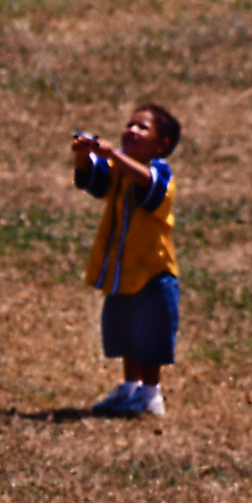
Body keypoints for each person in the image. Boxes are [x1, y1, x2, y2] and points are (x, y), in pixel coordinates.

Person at [72, 104, 182, 416]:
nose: (131, 130)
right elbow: (91, 181)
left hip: (154, 273)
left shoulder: (160, 173)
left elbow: (151, 184)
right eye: (130, 124)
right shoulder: (119, 170)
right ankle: (129, 387)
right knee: (127, 335)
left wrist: (113, 155)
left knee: (151, 337)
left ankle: (150, 395)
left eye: (142, 128)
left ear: (161, 145)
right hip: (124, 273)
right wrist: (83, 155)